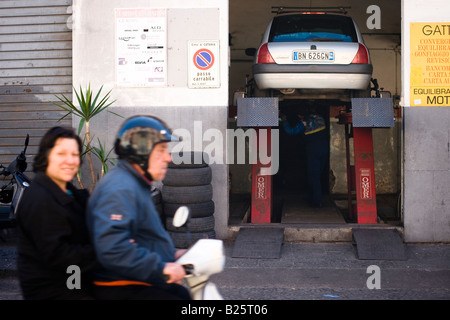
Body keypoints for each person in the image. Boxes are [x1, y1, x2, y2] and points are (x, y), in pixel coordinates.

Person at [86, 115, 191, 300]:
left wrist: (173, 255)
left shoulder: (136, 184)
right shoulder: (120, 188)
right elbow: (113, 248)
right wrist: (162, 268)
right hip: (123, 287)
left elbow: (140, 238)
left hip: (138, 281)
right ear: (141, 152)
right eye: (161, 150)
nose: (168, 157)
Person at [16, 126, 99, 300]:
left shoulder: (67, 190)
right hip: (54, 289)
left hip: (75, 280)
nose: (70, 161)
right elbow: (61, 256)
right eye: (61, 154)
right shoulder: (40, 198)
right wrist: (105, 251)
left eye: (75, 155)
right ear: (46, 156)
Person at [281, 110, 328, 207]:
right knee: (318, 175)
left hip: (313, 150)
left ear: (300, 115)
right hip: (324, 148)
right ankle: (313, 198)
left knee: (313, 177)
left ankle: (317, 201)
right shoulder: (320, 118)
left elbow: (291, 131)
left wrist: (284, 121)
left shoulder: (304, 123)